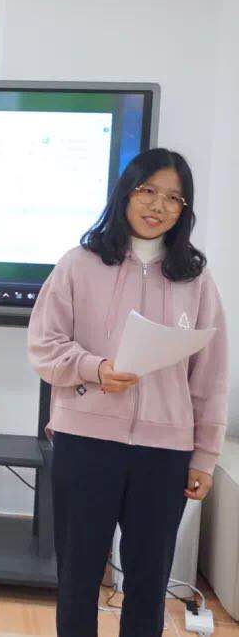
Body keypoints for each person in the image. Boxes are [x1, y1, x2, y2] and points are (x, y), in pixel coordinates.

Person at [28, 147, 229, 636]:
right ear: (125, 194)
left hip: (165, 452)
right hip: (85, 443)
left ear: (184, 210)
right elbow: (44, 345)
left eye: (174, 198)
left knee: (148, 583)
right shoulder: (78, 264)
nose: (158, 205)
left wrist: (204, 457)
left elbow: (210, 376)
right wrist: (95, 369)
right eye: (148, 191)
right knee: (77, 578)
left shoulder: (196, 279)